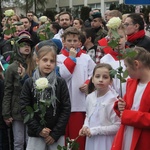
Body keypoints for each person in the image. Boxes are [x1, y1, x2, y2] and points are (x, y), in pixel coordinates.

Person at [20, 41, 71, 150]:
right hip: (36, 134)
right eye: (45, 60)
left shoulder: (60, 83)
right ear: (37, 61)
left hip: (55, 135)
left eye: (52, 61)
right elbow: (24, 108)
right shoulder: (29, 83)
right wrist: (38, 130)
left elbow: (66, 108)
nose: (48, 64)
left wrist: (55, 133)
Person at [57, 27, 96, 150]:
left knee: (77, 139)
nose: (72, 43)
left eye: (75, 40)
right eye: (69, 40)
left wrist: (88, 83)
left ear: (80, 42)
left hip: (80, 104)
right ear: (63, 41)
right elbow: (63, 76)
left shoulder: (86, 58)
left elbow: (94, 74)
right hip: (64, 103)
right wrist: (71, 58)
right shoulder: (59, 58)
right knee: (64, 139)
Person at [112, 47, 150, 150]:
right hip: (126, 134)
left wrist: (129, 116)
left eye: (126, 66)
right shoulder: (131, 83)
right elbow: (126, 105)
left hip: (144, 139)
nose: (126, 70)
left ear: (136, 64)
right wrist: (120, 105)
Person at [2, 35, 35, 150]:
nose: (26, 47)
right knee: (18, 142)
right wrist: (6, 113)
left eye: (28, 45)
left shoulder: (35, 65)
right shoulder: (11, 68)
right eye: (23, 45)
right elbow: (8, 91)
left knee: (30, 141)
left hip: (33, 108)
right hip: (17, 110)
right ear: (17, 48)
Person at [79, 63, 120, 150]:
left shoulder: (113, 100)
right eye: (97, 76)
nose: (101, 80)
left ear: (111, 81)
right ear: (92, 79)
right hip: (91, 139)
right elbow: (88, 115)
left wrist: (95, 130)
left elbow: (117, 126)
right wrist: (85, 126)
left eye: (105, 77)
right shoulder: (90, 97)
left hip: (106, 141)